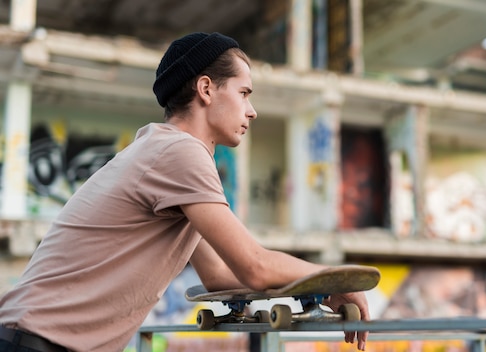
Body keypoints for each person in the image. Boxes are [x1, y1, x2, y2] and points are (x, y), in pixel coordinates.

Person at [0, 32, 371, 351]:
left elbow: (219, 276)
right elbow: (254, 266)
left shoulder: (162, 152)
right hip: (33, 342)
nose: (252, 110)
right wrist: (336, 278)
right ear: (206, 88)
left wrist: (317, 291)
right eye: (244, 93)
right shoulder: (179, 153)